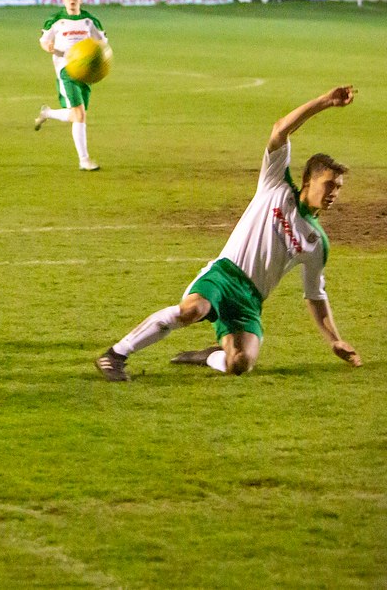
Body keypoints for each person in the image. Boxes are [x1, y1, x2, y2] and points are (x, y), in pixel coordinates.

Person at [95, 86, 362, 382]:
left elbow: (315, 295)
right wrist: (325, 101)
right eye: (329, 184)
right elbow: (280, 130)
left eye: (338, 187)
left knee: (241, 363)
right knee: (192, 311)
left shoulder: (316, 242)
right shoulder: (276, 185)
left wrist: (334, 339)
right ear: (308, 181)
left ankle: (210, 355)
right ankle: (115, 355)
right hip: (224, 275)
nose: (334, 193)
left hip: (250, 299)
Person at [34, 0, 107, 171]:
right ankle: (84, 160)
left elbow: (102, 44)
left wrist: (100, 59)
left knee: (77, 115)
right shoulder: (55, 20)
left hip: (86, 72)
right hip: (66, 70)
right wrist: (48, 47)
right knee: (80, 114)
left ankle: (47, 113)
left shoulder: (90, 21)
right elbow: (44, 41)